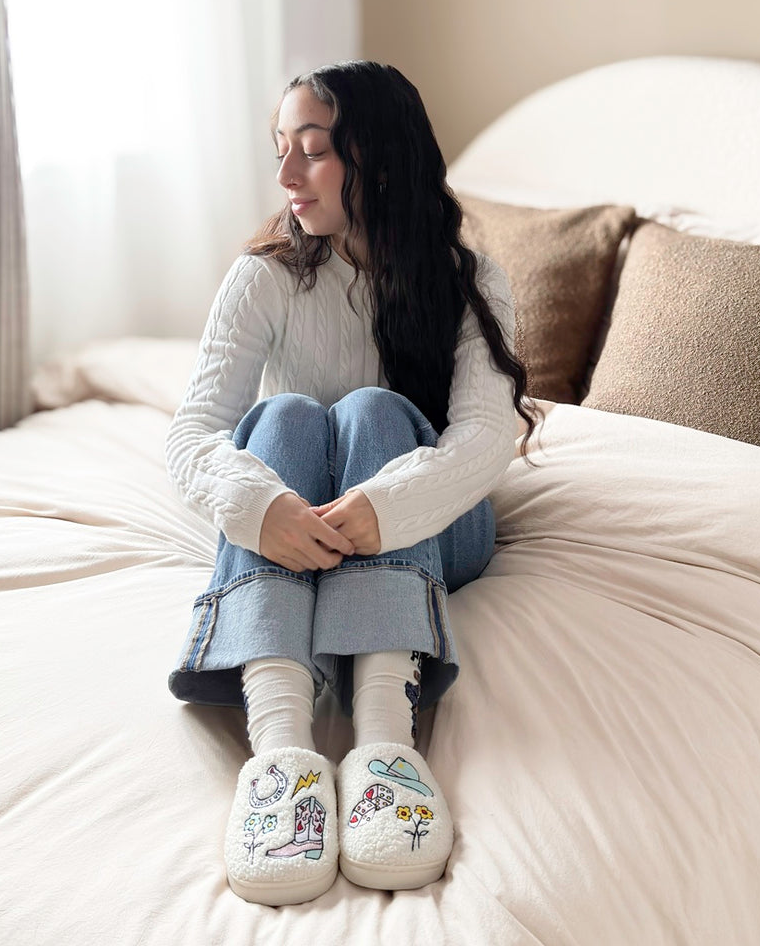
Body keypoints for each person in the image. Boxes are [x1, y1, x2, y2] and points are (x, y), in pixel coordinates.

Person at [165, 60, 535, 906]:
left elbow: (487, 437)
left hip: (434, 528)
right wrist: (258, 506)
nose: (287, 176)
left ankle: (384, 746)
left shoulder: (470, 281)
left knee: (373, 409)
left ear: (380, 155)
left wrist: (387, 504)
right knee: (285, 419)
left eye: (314, 150)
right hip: (299, 520)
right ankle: (281, 757)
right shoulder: (263, 276)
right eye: (281, 149)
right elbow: (192, 432)